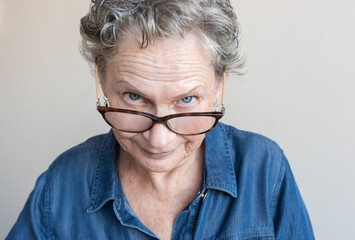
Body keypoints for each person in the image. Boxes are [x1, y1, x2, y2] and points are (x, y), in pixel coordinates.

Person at [7, 0, 314, 239]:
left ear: (220, 87)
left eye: (187, 100)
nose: (159, 140)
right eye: (134, 97)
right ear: (101, 81)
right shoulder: (61, 187)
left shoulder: (265, 172)